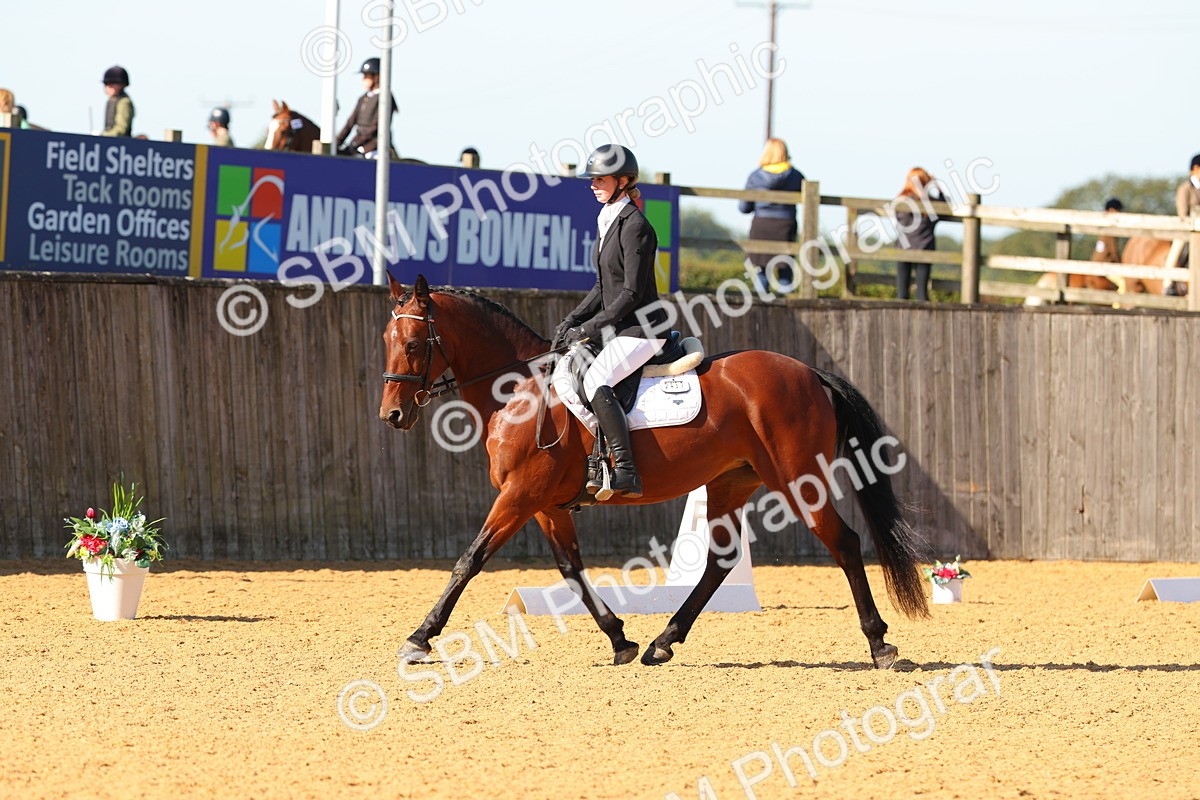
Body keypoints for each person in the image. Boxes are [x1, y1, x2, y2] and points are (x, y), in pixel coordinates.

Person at [554, 145, 666, 499]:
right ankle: (596, 458)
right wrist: (572, 319)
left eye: (600, 179)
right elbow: (603, 287)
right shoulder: (607, 219)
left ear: (623, 181)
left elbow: (631, 293)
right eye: (592, 179)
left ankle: (627, 470)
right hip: (620, 328)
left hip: (643, 329)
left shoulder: (636, 226)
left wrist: (588, 329)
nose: (593, 185)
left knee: (597, 380)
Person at [738, 138, 804, 291]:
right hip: (785, 226)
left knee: (761, 272)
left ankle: (760, 302)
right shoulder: (796, 176)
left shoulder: (755, 176)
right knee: (785, 272)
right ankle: (788, 303)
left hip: (761, 225)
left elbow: (744, 208)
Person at [893, 167, 945, 301]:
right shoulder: (931, 203)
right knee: (922, 293)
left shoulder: (902, 200)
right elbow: (945, 207)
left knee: (902, 294)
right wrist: (937, 186)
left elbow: (899, 218)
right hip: (925, 248)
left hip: (904, 248)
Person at [336, 57, 397, 158]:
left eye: (366, 76)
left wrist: (357, 143)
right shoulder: (363, 98)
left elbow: (376, 127)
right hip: (359, 141)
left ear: (376, 77)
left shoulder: (385, 98)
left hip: (375, 145)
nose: (362, 80)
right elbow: (350, 123)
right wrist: (337, 141)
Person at [100, 65, 134, 137]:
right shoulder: (111, 101)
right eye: (106, 85)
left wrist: (103, 135)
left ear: (121, 85)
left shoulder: (124, 102)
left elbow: (121, 129)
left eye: (110, 85)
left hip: (120, 141)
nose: (107, 88)